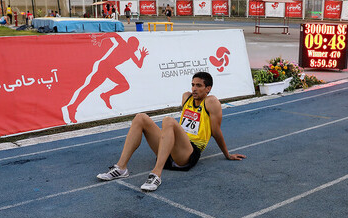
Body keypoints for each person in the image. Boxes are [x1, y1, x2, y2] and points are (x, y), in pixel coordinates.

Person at [96, 72, 245, 192]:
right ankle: (121, 167)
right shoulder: (186, 97)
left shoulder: (211, 102)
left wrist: (227, 154)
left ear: (208, 89)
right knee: (140, 118)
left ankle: (156, 174)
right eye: (193, 85)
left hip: (188, 153)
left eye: (199, 86)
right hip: (170, 150)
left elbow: (216, 131)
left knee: (168, 120)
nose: (194, 89)